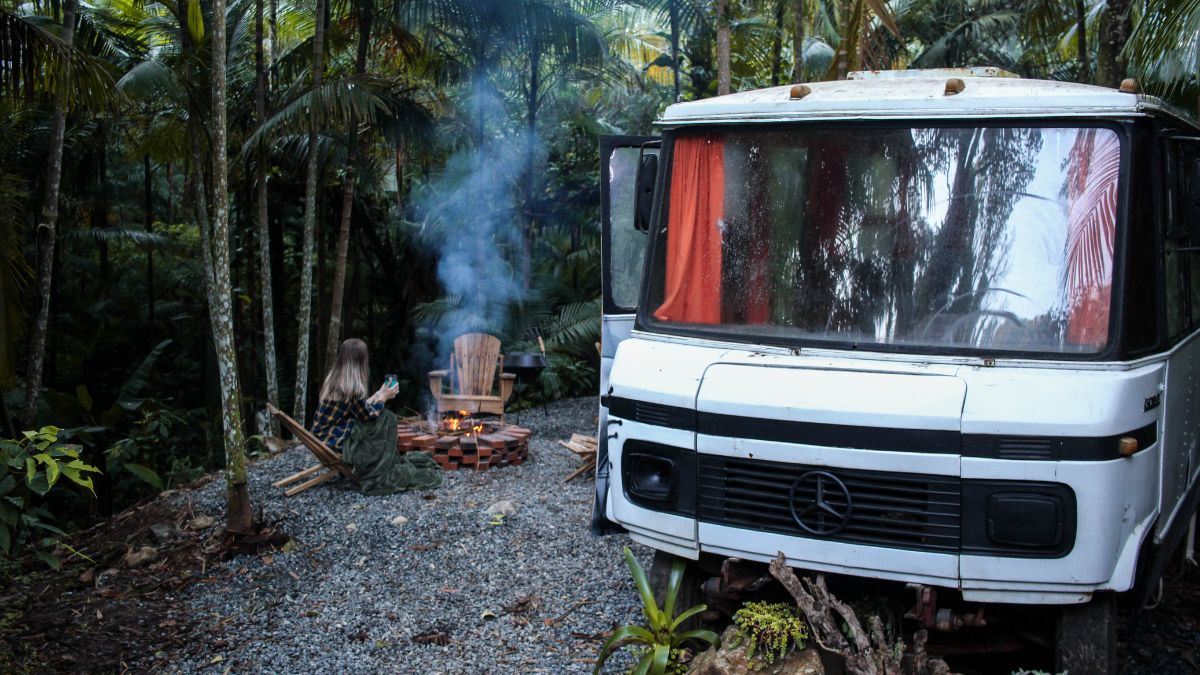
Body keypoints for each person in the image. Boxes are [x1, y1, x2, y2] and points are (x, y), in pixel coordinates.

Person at [312, 338, 442, 495]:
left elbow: (357, 410)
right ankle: (381, 465)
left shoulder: (335, 379)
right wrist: (384, 398)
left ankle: (382, 459)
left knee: (382, 416)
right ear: (361, 361)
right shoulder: (352, 387)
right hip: (337, 443)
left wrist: (378, 394)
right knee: (386, 417)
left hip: (322, 439)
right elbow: (367, 416)